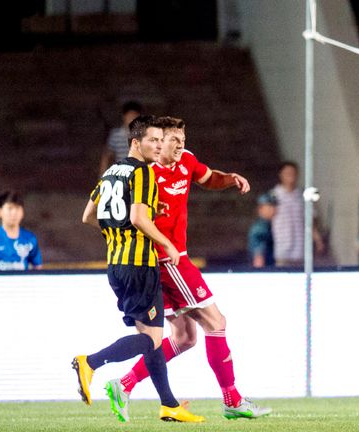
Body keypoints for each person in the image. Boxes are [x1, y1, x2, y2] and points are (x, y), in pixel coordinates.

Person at [110, 117, 271, 420]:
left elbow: (209, 178)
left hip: (171, 260)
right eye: (172, 139)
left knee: (185, 337)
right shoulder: (146, 174)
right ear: (157, 143)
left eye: (182, 139)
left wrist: (230, 178)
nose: (179, 144)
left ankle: (124, 384)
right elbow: (132, 214)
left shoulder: (186, 161)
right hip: (167, 260)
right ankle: (232, 400)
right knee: (216, 322)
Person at [73, 115, 204, 423]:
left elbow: (88, 216)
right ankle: (89, 362)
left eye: (161, 140)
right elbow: (138, 219)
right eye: (153, 141)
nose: (159, 146)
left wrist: (115, 234)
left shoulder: (111, 173)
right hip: (140, 265)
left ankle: (169, 404)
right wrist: (168, 244)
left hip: (116, 263)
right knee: (153, 340)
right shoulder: (143, 172)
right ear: (136, 142)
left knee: (151, 336)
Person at [271, 161, 325, 267]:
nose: (291, 176)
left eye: (293, 173)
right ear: (281, 175)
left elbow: (310, 220)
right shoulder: (274, 195)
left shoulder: (302, 196)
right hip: (282, 249)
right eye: (287, 173)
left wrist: (317, 239)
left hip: (300, 250)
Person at [0, 191, 42, 271]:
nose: (14, 213)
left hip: (23, 282)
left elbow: (37, 266)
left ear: (22, 212)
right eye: (10, 208)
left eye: (17, 208)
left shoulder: (30, 238)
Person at [99, 101, 143, 174]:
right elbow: (107, 156)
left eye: (134, 116)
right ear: (124, 116)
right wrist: (102, 174)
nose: (132, 119)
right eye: (129, 116)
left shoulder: (144, 136)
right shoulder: (116, 135)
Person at [248, 192, 277, 268]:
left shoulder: (269, 225)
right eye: (270, 206)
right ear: (260, 208)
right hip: (265, 270)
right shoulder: (260, 228)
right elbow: (258, 257)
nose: (273, 209)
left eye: (274, 206)